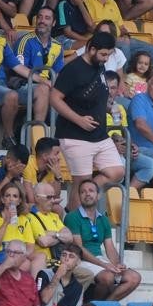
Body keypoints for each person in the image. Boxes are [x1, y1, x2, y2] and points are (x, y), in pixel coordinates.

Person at [51, 31, 125, 204]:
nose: (106, 59)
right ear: (92, 49)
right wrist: (79, 120)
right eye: (103, 54)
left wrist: (109, 108)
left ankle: (77, 206)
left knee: (117, 171)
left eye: (108, 54)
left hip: (99, 135)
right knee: (81, 184)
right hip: (74, 135)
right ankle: (75, 223)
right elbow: (54, 98)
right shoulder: (73, 69)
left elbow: (97, 95)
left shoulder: (99, 65)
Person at [66, 178, 141, 301]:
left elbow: (109, 247)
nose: (87, 194)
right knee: (108, 277)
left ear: (98, 195)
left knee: (134, 277)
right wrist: (105, 265)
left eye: (91, 191)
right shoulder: (72, 217)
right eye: (83, 192)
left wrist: (117, 264)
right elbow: (79, 249)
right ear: (79, 196)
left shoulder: (103, 219)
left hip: (99, 260)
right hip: (80, 261)